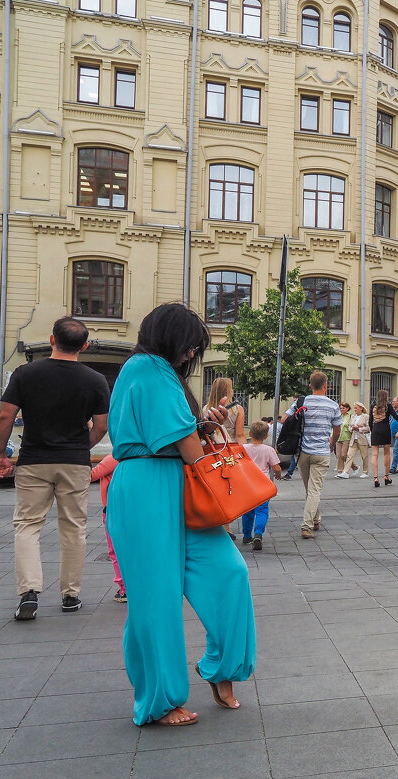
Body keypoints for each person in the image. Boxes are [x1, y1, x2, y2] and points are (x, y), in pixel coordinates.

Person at [106, 302, 253, 727]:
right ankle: (159, 699)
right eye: (190, 346)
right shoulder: (149, 368)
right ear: (171, 339)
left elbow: (183, 439)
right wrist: (198, 431)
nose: (192, 355)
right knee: (155, 598)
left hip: (172, 485)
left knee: (228, 572)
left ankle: (220, 668)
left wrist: (200, 423)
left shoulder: (156, 372)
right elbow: (189, 449)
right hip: (149, 485)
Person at [0, 316, 110, 621]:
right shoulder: (95, 380)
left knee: (28, 525)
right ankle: (70, 595)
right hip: (74, 462)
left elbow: (5, 417)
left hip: (34, 460)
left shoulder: (25, 373)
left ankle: (29, 592)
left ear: (51, 340)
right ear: (84, 346)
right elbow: (101, 427)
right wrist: (80, 447)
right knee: (74, 527)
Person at [286, 371, 341, 539]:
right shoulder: (333, 405)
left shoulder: (301, 402)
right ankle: (307, 526)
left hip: (303, 452)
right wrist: (332, 442)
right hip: (322, 453)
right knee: (314, 490)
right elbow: (337, 429)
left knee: (309, 490)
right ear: (326, 386)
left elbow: (284, 420)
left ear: (310, 385)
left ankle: (316, 519)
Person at [204, 377, 244, 538]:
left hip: (211, 452)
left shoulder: (206, 408)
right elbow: (240, 434)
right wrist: (243, 453)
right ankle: (227, 526)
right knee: (229, 489)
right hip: (229, 452)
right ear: (228, 391)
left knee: (215, 489)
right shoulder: (237, 409)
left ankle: (218, 523)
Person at [90, 452, 126, 602]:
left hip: (113, 509)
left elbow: (91, 475)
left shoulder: (113, 457)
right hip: (130, 508)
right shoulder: (131, 458)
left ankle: (124, 589)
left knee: (115, 550)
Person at [241, 421, 281, 551]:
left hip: (247, 484)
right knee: (262, 511)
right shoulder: (269, 450)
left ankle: (247, 535)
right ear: (266, 436)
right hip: (263, 485)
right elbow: (276, 468)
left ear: (250, 433)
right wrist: (278, 474)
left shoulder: (243, 448)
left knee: (247, 511)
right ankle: (258, 534)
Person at [368, 389, 395, 487]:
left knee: (374, 454)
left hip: (376, 430)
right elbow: (395, 416)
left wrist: (373, 430)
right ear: (386, 397)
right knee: (386, 453)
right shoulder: (388, 406)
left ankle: (375, 478)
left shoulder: (373, 406)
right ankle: (386, 476)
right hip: (386, 430)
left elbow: (370, 421)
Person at [346, 401, 370, 478]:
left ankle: (365, 472)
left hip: (362, 439)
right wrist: (351, 428)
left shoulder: (366, 416)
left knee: (364, 456)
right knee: (349, 455)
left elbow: (368, 428)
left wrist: (359, 429)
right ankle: (345, 472)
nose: (355, 409)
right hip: (354, 439)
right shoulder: (353, 416)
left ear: (361, 408)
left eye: (356, 408)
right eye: (354, 408)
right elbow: (349, 427)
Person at [335, 401, 354, 478]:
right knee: (339, 455)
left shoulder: (350, 416)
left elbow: (351, 426)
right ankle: (340, 471)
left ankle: (354, 467)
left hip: (346, 437)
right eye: (341, 408)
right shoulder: (338, 416)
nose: (342, 409)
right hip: (338, 437)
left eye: (343, 408)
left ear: (347, 408)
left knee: (344, 455)